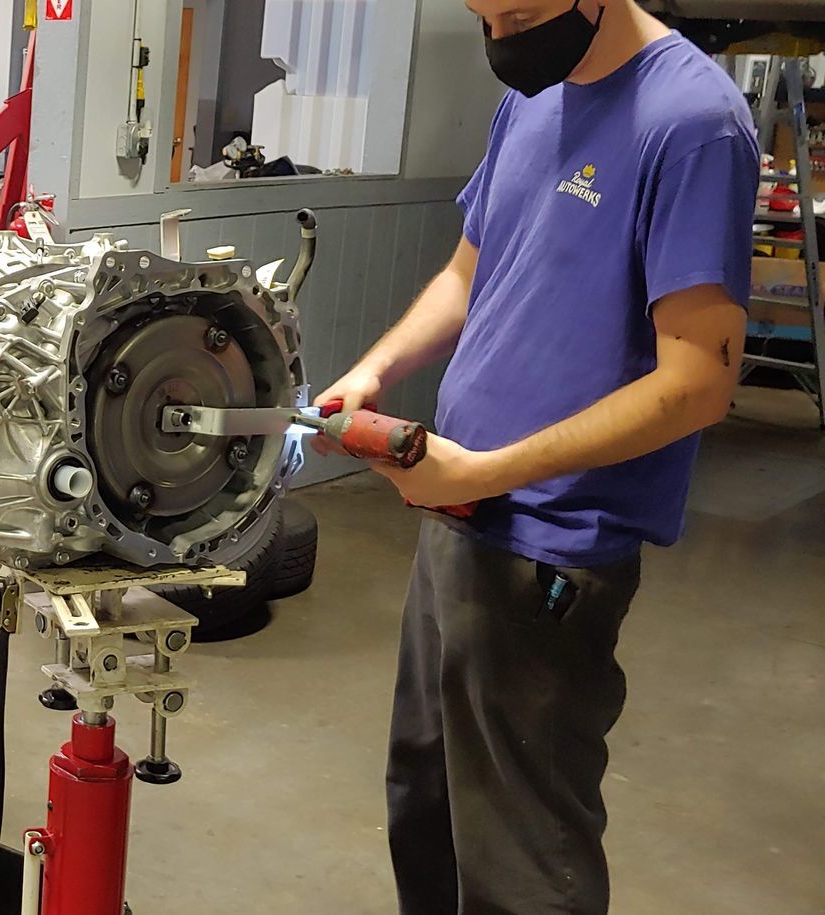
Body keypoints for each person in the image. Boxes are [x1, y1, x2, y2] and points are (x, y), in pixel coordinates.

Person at [314, 2, 757, 912]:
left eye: (521, 11)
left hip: (552, 549)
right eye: (485, 13)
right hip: (457, 517)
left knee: (521, 856)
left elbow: (698, 383)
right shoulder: (534, 99)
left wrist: (484, 471)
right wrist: (375, 369)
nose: (503, 33)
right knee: (426, 805)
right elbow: (467, 274)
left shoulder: (694, 124)